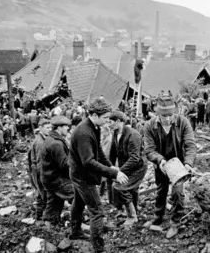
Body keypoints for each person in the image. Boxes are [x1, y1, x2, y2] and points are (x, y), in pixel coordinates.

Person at [68, 97, 128, 250]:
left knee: (79, 202)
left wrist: (111, 167)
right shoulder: (83, 133)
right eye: (105, 118)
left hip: (78, 173)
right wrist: (113, 174)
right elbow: (88, 161)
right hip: (83, 176)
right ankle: (98, 248)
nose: (108, 121)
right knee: (97, 212)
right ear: (94, 115)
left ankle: (75, 232)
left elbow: (99, 152)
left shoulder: (94, 127)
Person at [144, 93, 197, 239]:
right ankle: (157, 218)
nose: (167, 119)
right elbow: (149, 149)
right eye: (164, 116)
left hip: (178, 166)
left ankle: (175, 222)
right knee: (161, 191)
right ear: (157, 113)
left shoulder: (183, 122)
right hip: (161, 165)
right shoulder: (149, 126)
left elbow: (190, 145)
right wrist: (159, 160)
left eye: (170, 116)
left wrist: (188, 163)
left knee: (177, 193)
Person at [108, 111, 148, 226]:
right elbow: (113, 153)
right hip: (127, 165)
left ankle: (132, 217)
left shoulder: (133, 135)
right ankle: (132, 209)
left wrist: (119, 171)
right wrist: (109, 168)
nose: (108, 125)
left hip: (138, 166)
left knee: (120, 186)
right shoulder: (116, 133)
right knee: (131, 189)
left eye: (110, 122)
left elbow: (135, 158)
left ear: (119, 121)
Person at [39, 116, 74, 227]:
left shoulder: (51, 139)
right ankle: (77, 223)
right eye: (66, 127)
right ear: (59, 128)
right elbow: (64, 164)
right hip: (57, 179)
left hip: (49, 178)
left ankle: (49, 224)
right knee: (78, 196)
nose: (68, 129)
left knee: (54, 200)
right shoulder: (56, 144)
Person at [29, 119, 52, 220]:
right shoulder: (40, 142)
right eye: (47, 128)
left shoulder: (43, 138)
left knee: (40, 192)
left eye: (50, 127)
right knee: (43, 192)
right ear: (41, 128)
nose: (49, 130)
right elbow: (40, 161)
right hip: (39, 170)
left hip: (37, 169)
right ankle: (44, 216)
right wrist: (44, 175)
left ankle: (39, 214)